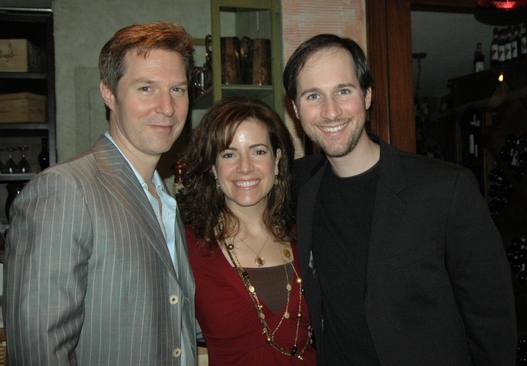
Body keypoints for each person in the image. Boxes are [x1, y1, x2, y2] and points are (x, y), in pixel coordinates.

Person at [283, 33, 517, 365]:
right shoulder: (299, 183)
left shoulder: (446, 189)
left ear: (367, 95)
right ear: (295, 108)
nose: (330, 111)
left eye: (343, 91)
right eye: (313, 96)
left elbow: (492, 321)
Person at [3, 21, 198, 365]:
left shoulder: (164, 197)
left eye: (178, 90)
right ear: (108, 93)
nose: (167, 107)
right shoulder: (65, 190)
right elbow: (40, 350)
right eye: (146, 88)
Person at [181, 97, 316, 365]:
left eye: (258, 151)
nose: (245, 167)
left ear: (277, 160)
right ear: (212, 167)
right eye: (229, 154)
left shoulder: (308, 236)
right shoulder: (187, 245)